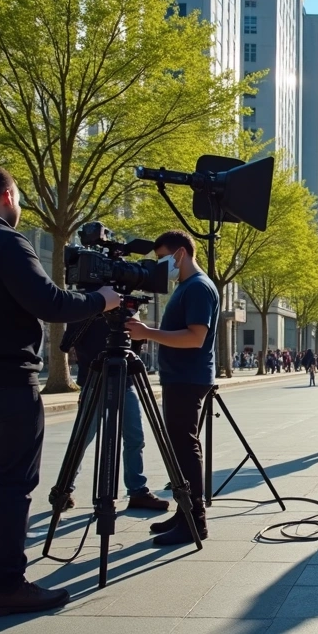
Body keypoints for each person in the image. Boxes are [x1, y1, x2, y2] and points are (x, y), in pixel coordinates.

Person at [0, 163, 120, 616]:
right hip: (6, 379)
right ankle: (8, 584)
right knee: (15, 484)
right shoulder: (5, 240)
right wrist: (102, 300)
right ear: (8, 196)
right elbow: (50, 303)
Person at [125, 230, 220, 548]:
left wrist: (148, 332)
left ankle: (195, 520)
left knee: (184, 446)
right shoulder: (186, 287)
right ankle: (185, 513)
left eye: (162, 257)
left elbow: (195, 337)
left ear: (179, 254)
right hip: (180, 376)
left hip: (188, 378)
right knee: (179, 447)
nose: (159, 265)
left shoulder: (198, 287)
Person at [60, 317, 170, 512]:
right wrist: (95, 310)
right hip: (94, 382)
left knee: (135, 437)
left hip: (125, 381)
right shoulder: (86, 306)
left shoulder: (123, 309)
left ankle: (137, 491)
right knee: (82, 439)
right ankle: (63, 489)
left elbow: (135, 346)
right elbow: (67, 344)